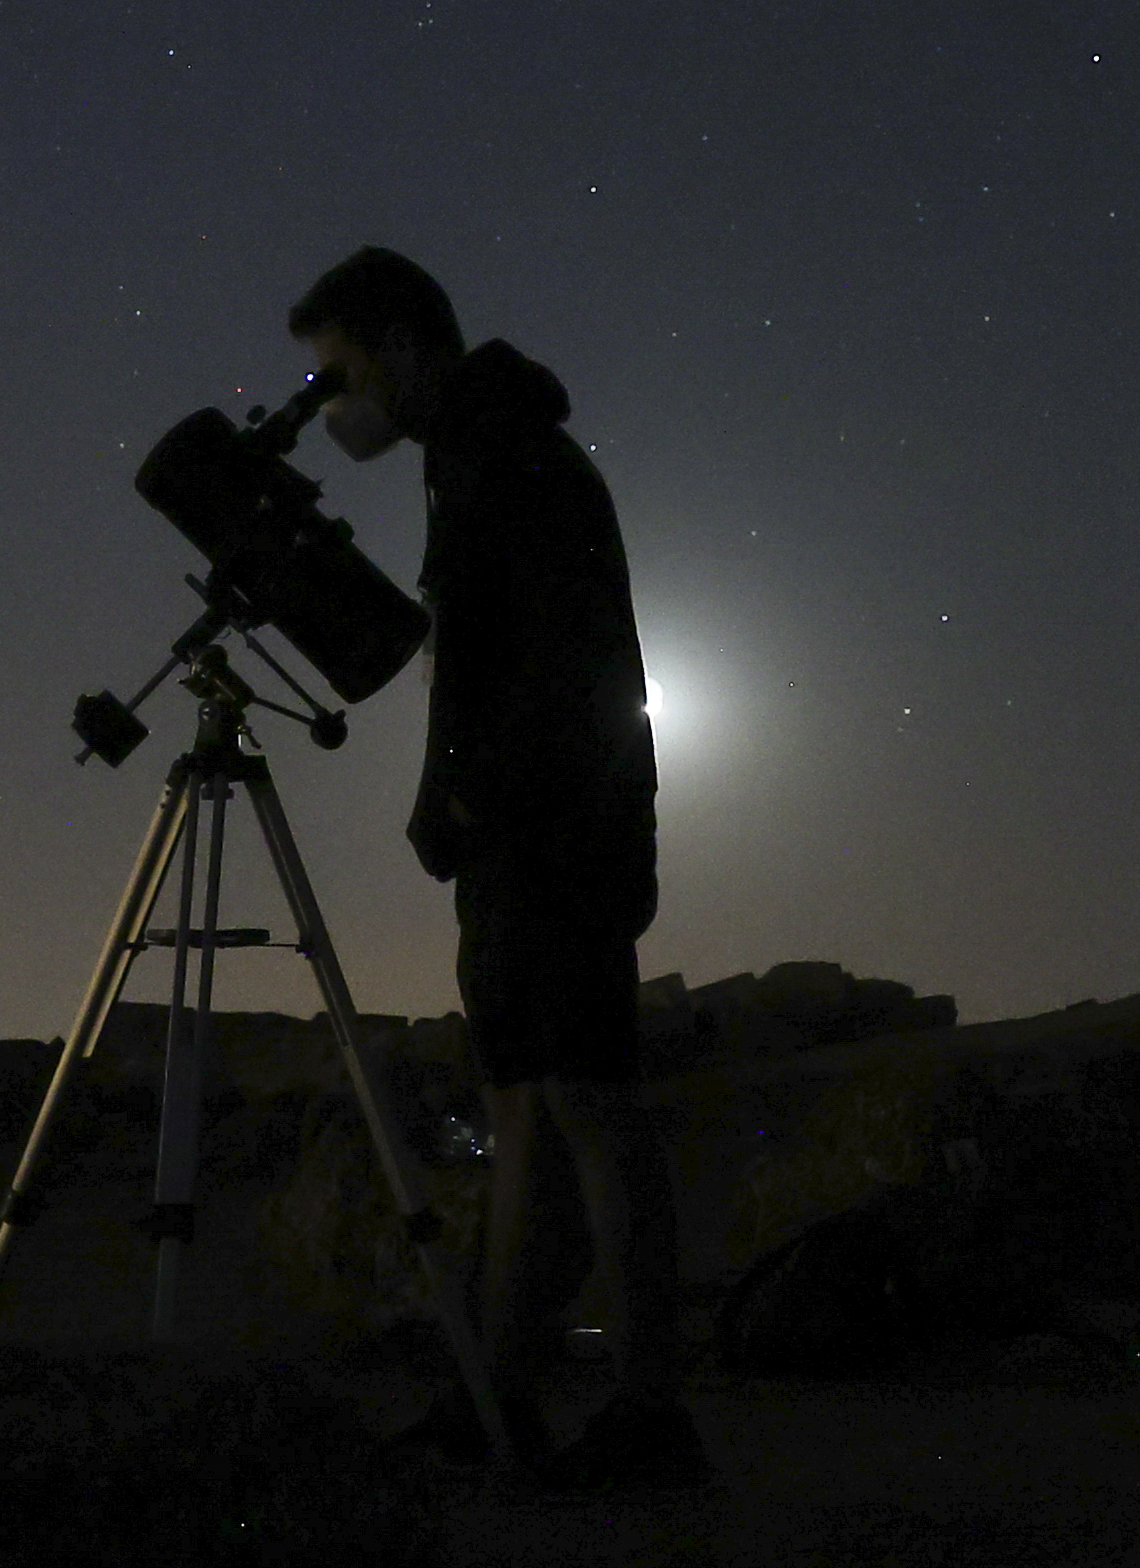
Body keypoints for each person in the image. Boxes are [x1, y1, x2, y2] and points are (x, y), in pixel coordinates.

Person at [288, 246, 703, 1491]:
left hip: (553, 842)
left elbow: (557, 668)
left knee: (587, 1106)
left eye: (339, 370)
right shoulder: (475, 454)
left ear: (401, 345)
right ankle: (496, 1392)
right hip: (524, 841)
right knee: (526, 1105)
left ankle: (651, 1414)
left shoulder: (506, 459)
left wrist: (469, 793)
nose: (332, 401)